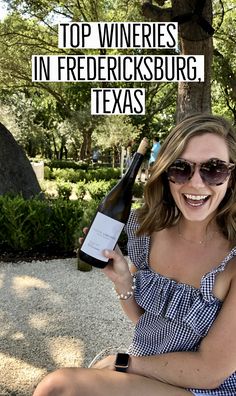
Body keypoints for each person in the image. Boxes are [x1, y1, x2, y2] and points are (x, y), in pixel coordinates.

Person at [33, 113, 236, 396]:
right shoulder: (149, 231)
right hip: (147, 372)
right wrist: (122, 280)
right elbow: (144, 321)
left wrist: (123, 363)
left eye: (213, 169)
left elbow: (211, 370)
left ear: (231, 175)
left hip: (201, 389)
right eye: (181, 168)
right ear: (166, 173)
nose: (196, 183)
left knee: (58, 387)